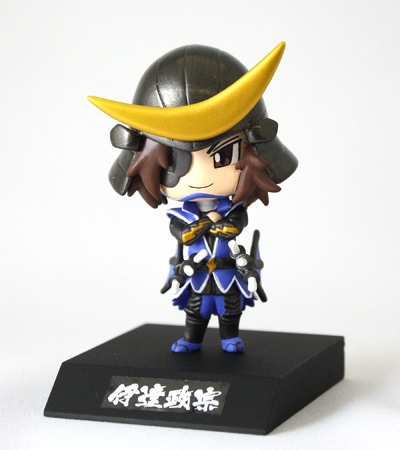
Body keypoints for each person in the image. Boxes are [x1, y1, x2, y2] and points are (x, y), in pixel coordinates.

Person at [88, 42, 298, 352]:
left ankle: (230, 337)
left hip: (227, 271)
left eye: (224, 155)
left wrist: (227, 230)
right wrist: (195, 232)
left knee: (230, 309)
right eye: (174, 161)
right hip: (197, 273)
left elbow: (238, 222)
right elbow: (181, 233)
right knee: (195, 310)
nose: (199, 177)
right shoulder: (183, 217)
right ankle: (191, 339)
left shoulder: (232, 211)